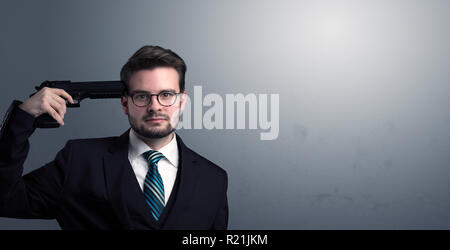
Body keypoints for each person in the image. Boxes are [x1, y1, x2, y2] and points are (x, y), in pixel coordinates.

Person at [0, 45, 228, 230]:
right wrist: (23, 117)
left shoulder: (214, 179)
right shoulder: (79, 161)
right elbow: (5, 200)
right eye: (141, 96)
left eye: (166, 95)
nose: (154, 107)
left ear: (182, 101)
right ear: (124, 103)